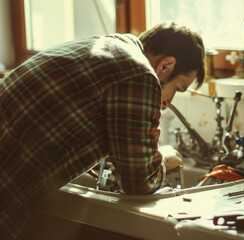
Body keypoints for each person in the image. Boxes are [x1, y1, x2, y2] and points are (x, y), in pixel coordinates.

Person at [0, 21, 205, 239]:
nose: (167, 103)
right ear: (166, 65)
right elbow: (138, 182)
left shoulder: (105, 47)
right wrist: (163, 158)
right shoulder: (139, 75)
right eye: (178, 88)